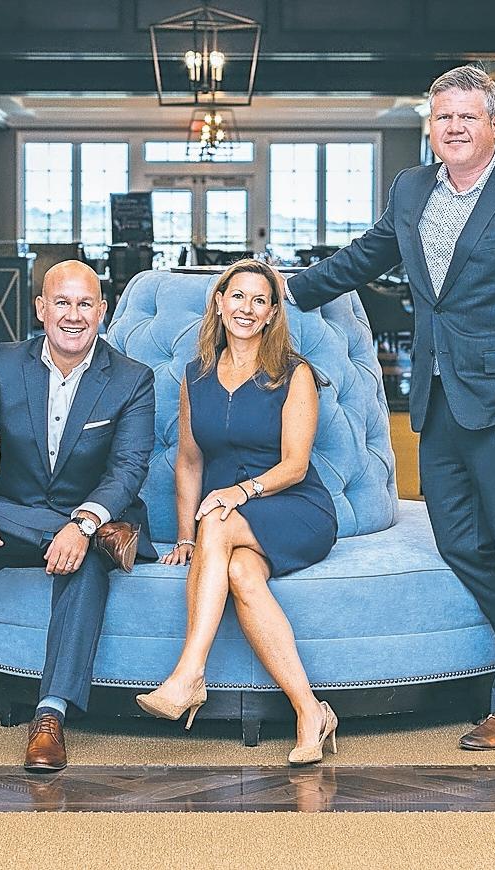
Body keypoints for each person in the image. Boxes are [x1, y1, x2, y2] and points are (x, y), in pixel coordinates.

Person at [283, 64, 495, 750]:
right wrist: (282, 289)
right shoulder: (413, 188)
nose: (453, 127)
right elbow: (364, 256)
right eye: (442, 116)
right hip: (438, 396)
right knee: (459, 541)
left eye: (467, 116)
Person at [0, 260, 156, 772]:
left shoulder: (131, 379)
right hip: (19, 514)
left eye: (85, 304)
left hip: (91, 512)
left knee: (84, 562)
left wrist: (83, 523)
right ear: (41, 308)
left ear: (102, 311)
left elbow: (127, 470)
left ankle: (50, 715)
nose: (73, 315)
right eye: (62, 302)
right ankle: (96, 539)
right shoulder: (5, 362)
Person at [136, 259, 339, 765]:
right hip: (225, 518)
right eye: (238, 296)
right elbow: (189, 461)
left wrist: (240, 493)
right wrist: (185, 538)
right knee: (242, 573)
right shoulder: (195, 375)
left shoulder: (294, 374)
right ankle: (311, 712)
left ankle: (189, 674)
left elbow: (295, 465)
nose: (247, 308)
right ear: (219, 302)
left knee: (218, 520)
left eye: (259, 300)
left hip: (294, 508)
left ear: (272, 313)